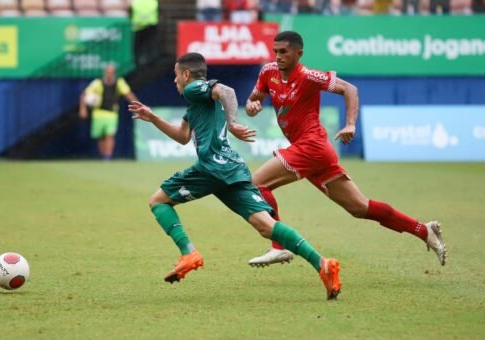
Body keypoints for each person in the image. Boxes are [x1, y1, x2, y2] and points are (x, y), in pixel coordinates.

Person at [128, 52, 342, 300]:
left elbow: (226, 90)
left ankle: (189, 253)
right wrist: (153, 118)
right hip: (232, 168)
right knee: (266, 226)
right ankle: (322, 264)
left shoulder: (194, 89)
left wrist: (232, 123)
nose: (175, 80)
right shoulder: (196, 100)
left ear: (186, 74)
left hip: (212, 166)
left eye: (176, 75)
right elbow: (183, 136)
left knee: (158, 201)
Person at [244, 31, 447, 268]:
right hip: (313, 151)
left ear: (299, 54)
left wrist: (350, 124)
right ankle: (424, 230)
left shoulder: (309, 76)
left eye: (284, 52)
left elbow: (350, 89)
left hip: (311, 145)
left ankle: (279, 246)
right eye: (275, 51)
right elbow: (252, 100)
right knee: (359, 207)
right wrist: (252, 106)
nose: (278, 56)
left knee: (256, 184)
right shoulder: (268, 72)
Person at [79, 64, 137, 160]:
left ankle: (107, 156)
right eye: (108, 72)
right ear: (105, 72)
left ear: (114, 73)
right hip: (98, 113)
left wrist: (138, 106)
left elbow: (128, 94)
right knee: (100, 136)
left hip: (111, 114)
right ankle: (103, 156)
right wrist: (83, 109)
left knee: (110, 135)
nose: (109, 74)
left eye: (111, 72)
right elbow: (84, 95)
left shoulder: (119, 82)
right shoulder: (97, 83)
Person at [130, 0, 159, 67]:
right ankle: (151, 63)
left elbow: (130, 12)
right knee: (150, 46)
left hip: (138, 27)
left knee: (138, 47)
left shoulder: (136, 1)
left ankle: (137, 63)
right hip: (151, 26)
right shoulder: (153, 1)